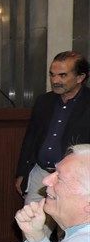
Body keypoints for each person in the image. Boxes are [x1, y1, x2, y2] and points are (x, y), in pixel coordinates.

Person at [15, 51, 90, 205]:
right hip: (40, 173)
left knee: (67, 220)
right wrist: (22, 173)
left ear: (80, 77)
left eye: (62, 75)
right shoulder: (44, 101)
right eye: (52, 74)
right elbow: (30, 138)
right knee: (31, 218)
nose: (55, 80)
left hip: (75, 178)